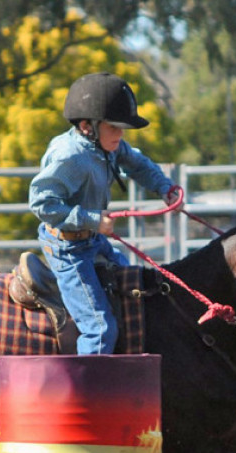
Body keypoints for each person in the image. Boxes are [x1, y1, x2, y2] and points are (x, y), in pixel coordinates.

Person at [29, 72, 178, 355]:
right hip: (68, 249)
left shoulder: (107, 145)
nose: (121, 135)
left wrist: (165, 188)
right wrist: (94, 221)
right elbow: (42, 204)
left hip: (91, 241)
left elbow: (138, 164)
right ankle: (90, 395)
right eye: (115, 127)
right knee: (99, 329)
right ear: (88, 126)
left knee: (133, 290)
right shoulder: (70, 156)